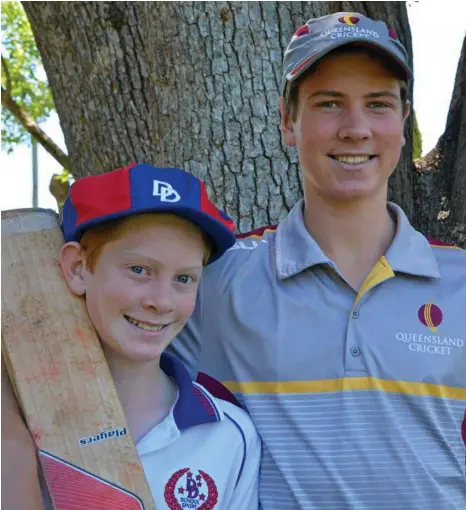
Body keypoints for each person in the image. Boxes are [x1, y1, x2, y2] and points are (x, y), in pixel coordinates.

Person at [169, 11, 466, 510]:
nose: (355, 129)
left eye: (377, 105)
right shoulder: (217, 282)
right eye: (330, 104)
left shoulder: (461, 283)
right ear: (288, 122)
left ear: (403, 119)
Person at [1, 162, 261, 510]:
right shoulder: (15, 421)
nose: (162, 302)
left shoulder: (227, 434)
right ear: (78, 268)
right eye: (139, 270)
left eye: (184, 278)